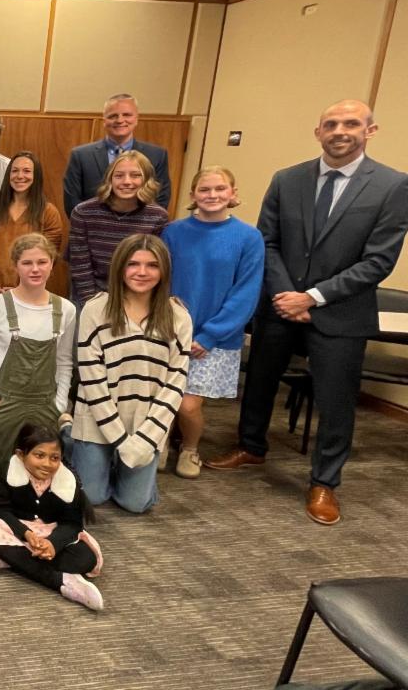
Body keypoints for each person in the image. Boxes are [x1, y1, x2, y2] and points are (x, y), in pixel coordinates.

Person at [205, 100, 408, 525]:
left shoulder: (392, 186)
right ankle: (251, 447)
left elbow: (378, 261)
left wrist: (312, 296)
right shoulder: (288, 179)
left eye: (351, 123)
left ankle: (324, 481)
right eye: (330, 124)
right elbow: (268, 241)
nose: (340, 130)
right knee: (260, 381)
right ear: (318, 132)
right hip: (280, 304)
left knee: (336, 401)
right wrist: (286, 294)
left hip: (342, 312)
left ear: (370, 130)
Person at [71, 234, 191, 513]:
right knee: (92, 497)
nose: (142, 272)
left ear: (164, 271)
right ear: (119, 267)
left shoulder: (178, 316)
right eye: (133, 264)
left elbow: (175, 385)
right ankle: (71, 436)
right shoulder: (96, 309)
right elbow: (91, 379)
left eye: (152, 265)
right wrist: (121, 441)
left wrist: (144, 440)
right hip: (97, 417)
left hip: (147, 420)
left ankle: (126, 469)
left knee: (135, 504)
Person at [161, 167, 263, 479]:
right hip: (169, 332)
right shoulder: (173, 232)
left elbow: (246, 292)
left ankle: (190, 447)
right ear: (193, 195)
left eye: (220, 189)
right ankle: (160, 443)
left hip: (214, 338)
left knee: (188, 405)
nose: (212, 195)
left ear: (233, 194)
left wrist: (210, 335)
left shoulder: (249, 237)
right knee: (160, 396)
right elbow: (160, 281)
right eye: (204, 190)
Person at [0, 233, 76, 483]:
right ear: (15, 265)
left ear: (52, 264)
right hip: (4, 402)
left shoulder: (65, 309)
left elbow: (64, 361)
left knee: (37, 476)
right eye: (27, 263)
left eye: (42, 262)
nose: (35, 269)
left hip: (45, 404)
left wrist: (60, 403)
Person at [0, 424, 104, 611]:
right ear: (21, 455)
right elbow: (0, 510)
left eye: (54, 458)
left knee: (86, 559)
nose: (47, 463)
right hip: (13, 527)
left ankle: (10, 559)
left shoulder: (68, 481)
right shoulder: (8, 469)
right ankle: (63, 582)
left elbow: (72, 524)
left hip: (51, 530)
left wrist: (53, 544)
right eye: (39, 455)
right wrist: (26, 535)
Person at [68, 150, 168, 306]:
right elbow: (80, 265)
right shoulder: (83, 213)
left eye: (135, 175)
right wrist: (93, 303)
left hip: (135, 296)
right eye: (119, 176)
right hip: (89, 295)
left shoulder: (157, 217)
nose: (126, 181)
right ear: (110, 180)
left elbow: (153, 265)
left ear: (146, 180)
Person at [63, 93, 171, 217]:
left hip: (140, 231)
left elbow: (161, 198)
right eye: (113, 116)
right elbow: (72, 201)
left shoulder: (156, 155)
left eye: (127, 115)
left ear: (136, 119)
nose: (120, 120)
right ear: (104, 121)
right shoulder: (81, 155)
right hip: (94, 230)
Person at [0, 150, 67, 295]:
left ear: (36, 176)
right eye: (15, 171)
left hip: (30, 292)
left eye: (27, 171)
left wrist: (20, 288)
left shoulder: (48, 212)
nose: (20, 176)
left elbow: (48, 257)